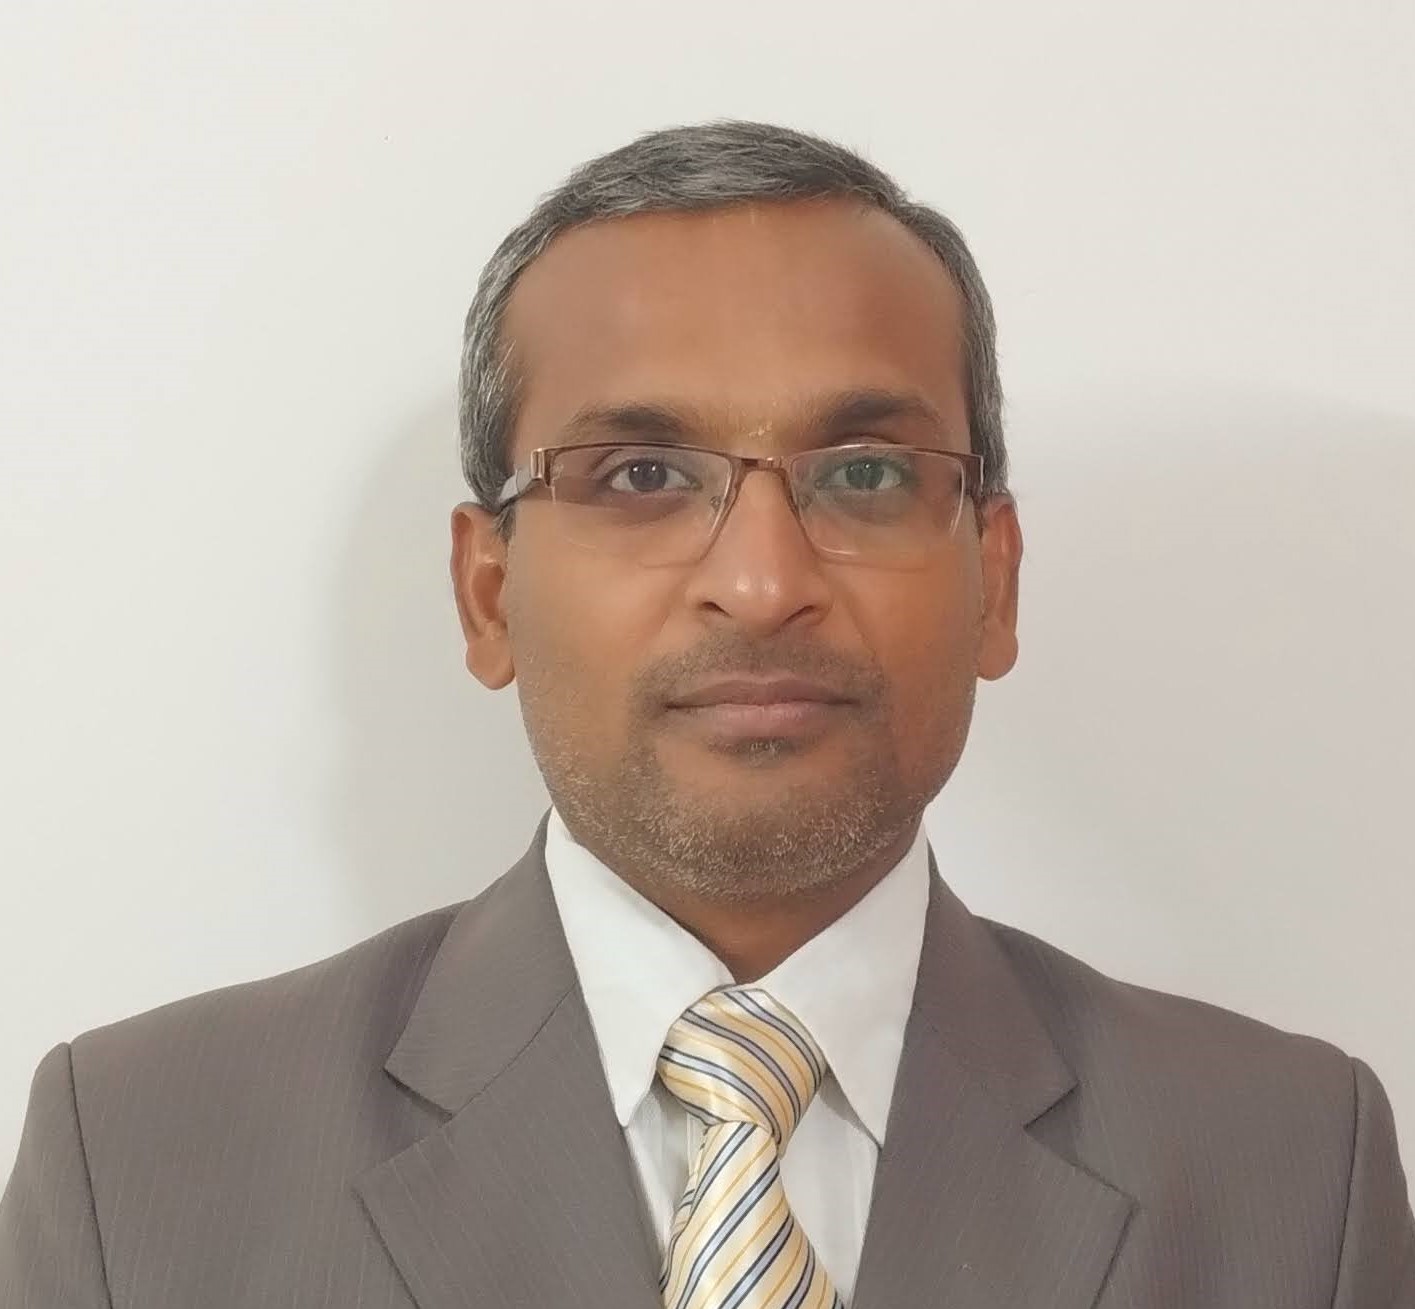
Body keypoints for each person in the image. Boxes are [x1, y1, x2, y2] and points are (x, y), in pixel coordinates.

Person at [2, 120, 1411, 1308]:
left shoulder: (1295, 1172)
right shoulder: (137, 1162)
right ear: (488, 594)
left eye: (865, 473)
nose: (763, 582)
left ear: (996, 580)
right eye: (640, 476)